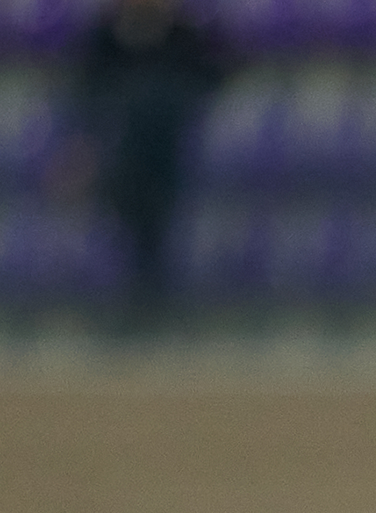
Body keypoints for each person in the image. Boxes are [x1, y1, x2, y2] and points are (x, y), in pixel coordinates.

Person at [68, 0, 231, 322]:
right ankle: (134, 302)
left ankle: (155, 303)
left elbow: (214, 80)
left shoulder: (185, 36)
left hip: (172, 157)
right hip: (123, 161)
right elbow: (85, 101)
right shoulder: (105, 39)